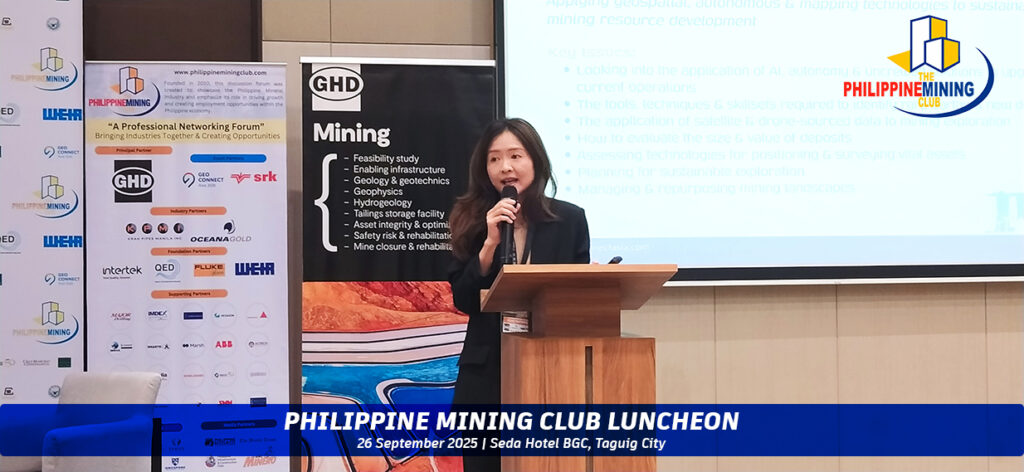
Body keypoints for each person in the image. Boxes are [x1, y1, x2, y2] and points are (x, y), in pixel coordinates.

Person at [447, 118, 590, 471]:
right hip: (486, 379)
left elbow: (575, 303)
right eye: (494, 159)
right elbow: (464, 300)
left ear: (535, 161)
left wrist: (589, 282)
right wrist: (489, 244)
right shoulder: (471, 220)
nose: (505, 167)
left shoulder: (570, 220)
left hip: (551, 371)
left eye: (515, 155)